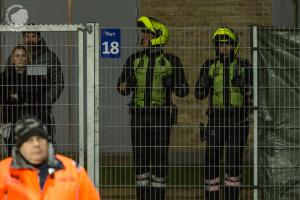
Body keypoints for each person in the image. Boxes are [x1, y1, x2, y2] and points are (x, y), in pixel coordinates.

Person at [117, 16, 189, 200]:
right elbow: (120, 88)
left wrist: (173, 83)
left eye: (147, 34)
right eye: (144, 34)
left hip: (161, 116)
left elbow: (184, 90)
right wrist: (128, 84)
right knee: (140, 157)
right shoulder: (134, 59)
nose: (144, 37)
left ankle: (158, 196)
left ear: (158, 36)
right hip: (139, 115)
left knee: (159, 158)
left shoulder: (171, 60)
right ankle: (142, 196)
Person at [195, 27, 252, 200]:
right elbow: (198, 94)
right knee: (211, 158)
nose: (224, 48)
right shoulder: (209, 65)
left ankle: (232, 196)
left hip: (238, 119)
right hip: (216, 118)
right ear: (216, 47)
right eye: (220, 45)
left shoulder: (244, 66)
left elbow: (256, 93)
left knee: (234, 157)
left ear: (234, 46)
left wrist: (242, 85)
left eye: (227, 44)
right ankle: (211, 197)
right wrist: (203, 84)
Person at [0, 115, 100, 199]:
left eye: (40, 138)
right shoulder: (3, 172)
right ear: (19, 146)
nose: (36, 144)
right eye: (29, 140)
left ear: (48, 142)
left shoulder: (73, 170)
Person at [0, 45, 46, 155]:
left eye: (23, 55)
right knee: (14, 153)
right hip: (10, 120)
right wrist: (27, 96)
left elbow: (40, 95)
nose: (20, 58)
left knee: (31, 153)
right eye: (17, 56)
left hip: (32, 119)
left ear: (27, 58)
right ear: (12, 59)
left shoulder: (36, 75)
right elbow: (2, 97)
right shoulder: (4, 76)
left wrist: (19, 96)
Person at [21, 28, 64, 144]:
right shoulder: (16, 56)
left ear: (39, 38)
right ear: (23, 38)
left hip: (42, 110)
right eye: (27, 36)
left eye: (33, 36)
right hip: (19, 110)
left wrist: (45, 100)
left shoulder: (50, 57)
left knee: (45, 143)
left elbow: (58, 82)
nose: (30, 39)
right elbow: (7, 81)